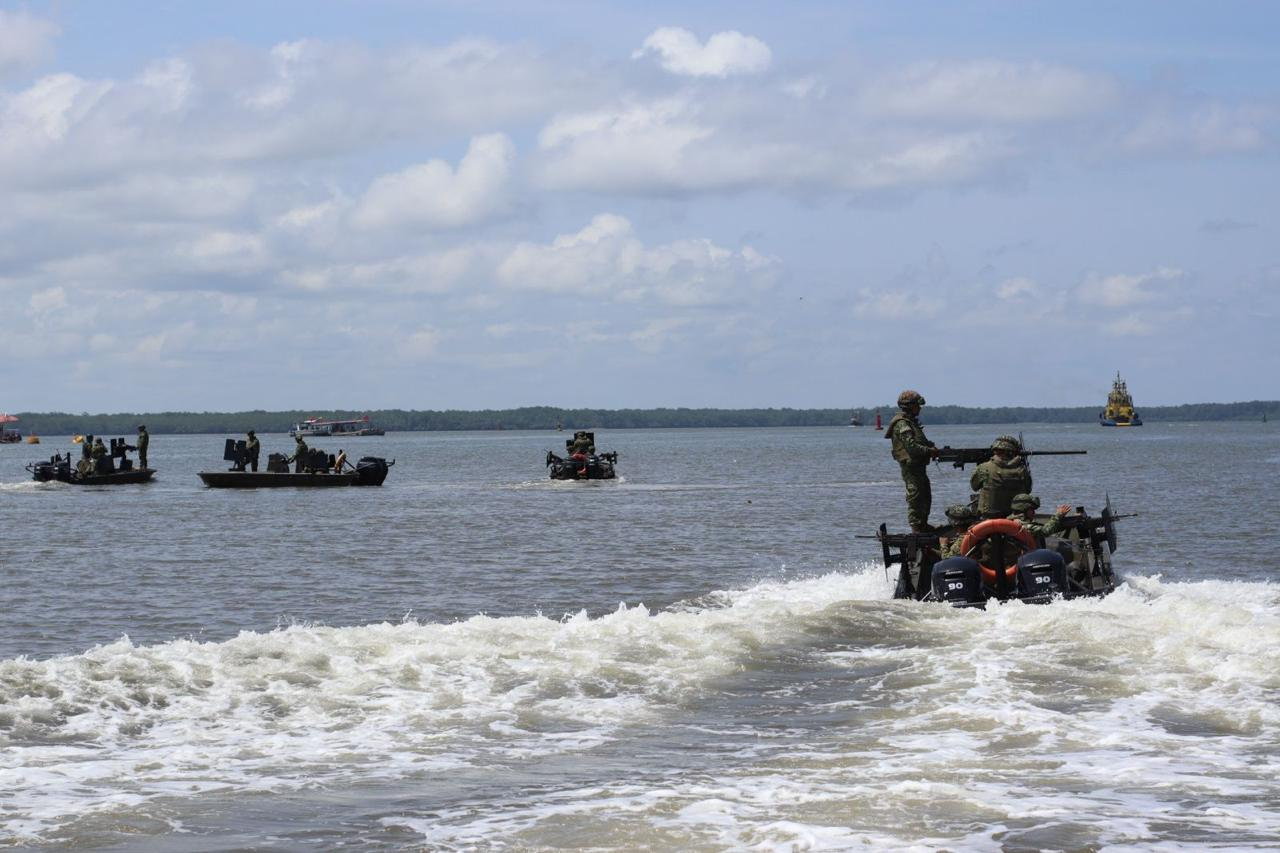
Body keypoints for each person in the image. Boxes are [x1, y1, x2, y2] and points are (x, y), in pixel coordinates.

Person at [885, 390, 940, 532]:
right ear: (909, 406)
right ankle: (916, 526)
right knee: (915, 495)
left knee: (925, 494)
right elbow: (912, 447)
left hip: (919, 466)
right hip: (911, 467)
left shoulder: (911, 422)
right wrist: (929, 451)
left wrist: (931, 447)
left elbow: (921, 442)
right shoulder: (902, 424)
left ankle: (922, 524)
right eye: (917, 405)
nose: (919, 408)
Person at [970, 435, 1031, 519]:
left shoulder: (984, 468)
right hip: (1015, 517)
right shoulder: (1022, 470)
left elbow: (974, 486)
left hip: (989, 518)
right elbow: (1028, 490)